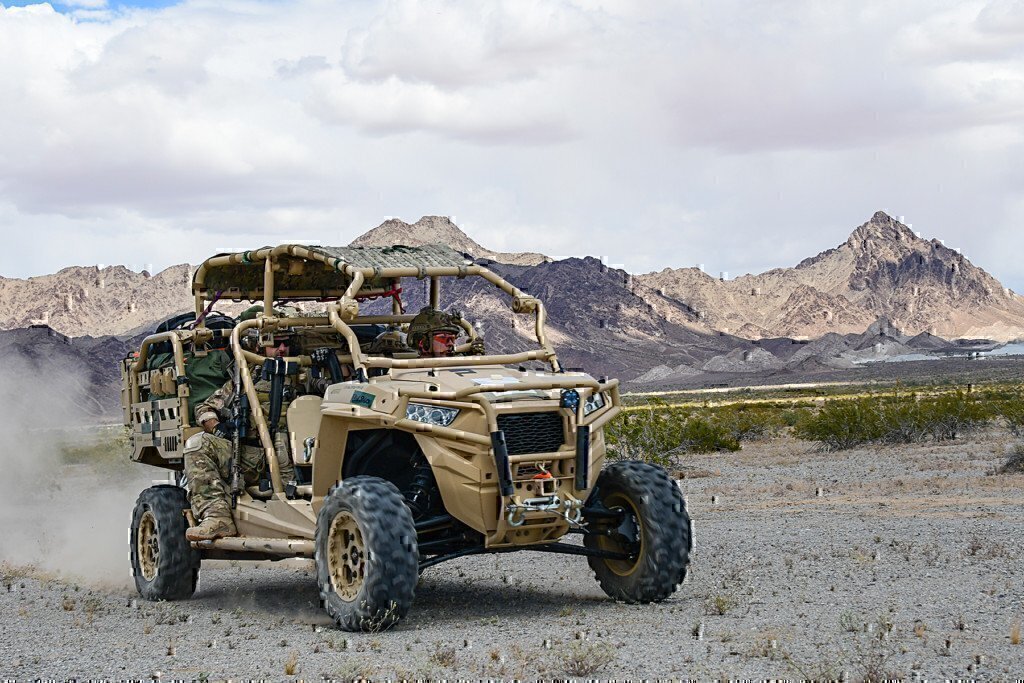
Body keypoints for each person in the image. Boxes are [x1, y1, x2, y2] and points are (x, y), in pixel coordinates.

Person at [182, 326, 298, 542]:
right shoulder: (245, 380)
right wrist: (217, 427)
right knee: (198, 445)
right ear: (260, 346)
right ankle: (217, 517)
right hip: (256, 458)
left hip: (302, 455)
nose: (282, 349)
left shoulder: (304, 373)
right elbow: (205, 408)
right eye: (275, 344)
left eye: (286, 343)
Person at [406, 307, 485, 357]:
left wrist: (473, 354)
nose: (451, 343)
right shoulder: (403, 369)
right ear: (423, 343)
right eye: (443, 338)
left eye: (452, 339)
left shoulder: (456, 360)